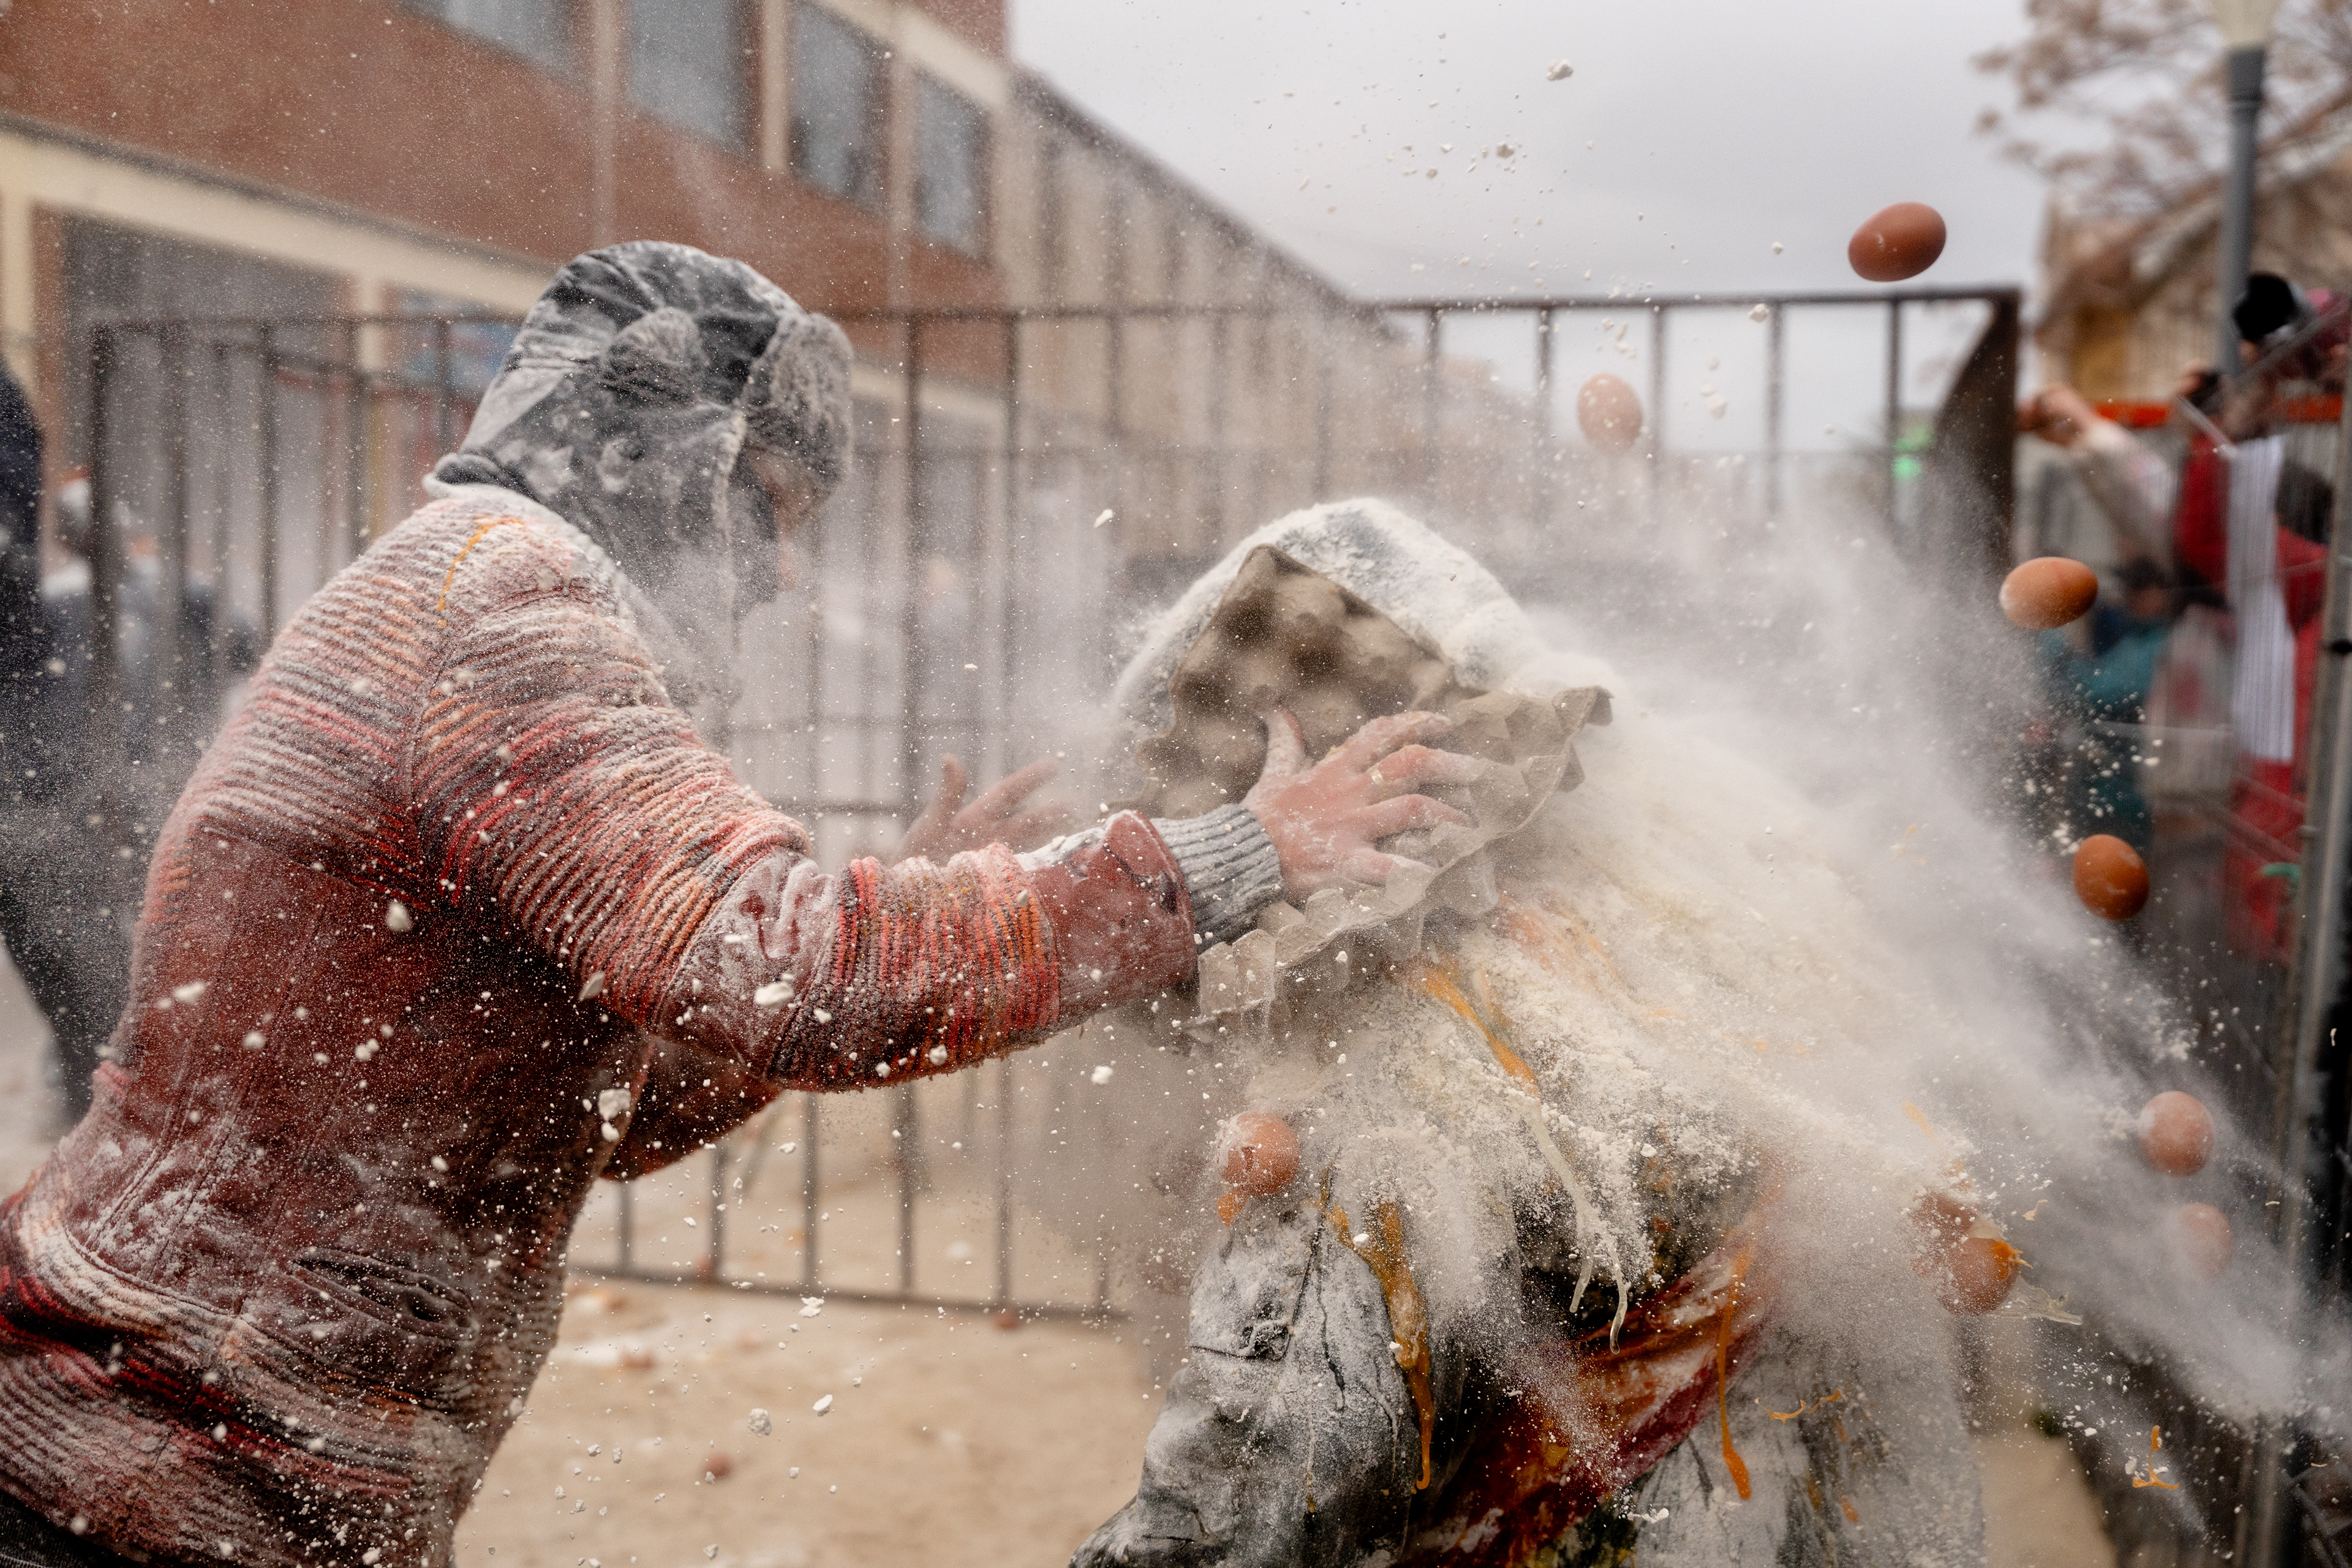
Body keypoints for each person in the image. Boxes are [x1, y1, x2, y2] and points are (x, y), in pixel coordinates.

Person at [0, 243, 1477, 1568]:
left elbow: (602, 1109)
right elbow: (792, 977)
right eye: (767, 507)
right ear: (652, 448)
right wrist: (1237, 853)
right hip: (140, 1465)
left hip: (222, 1465)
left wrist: (926, 905)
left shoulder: (467, 587)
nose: (779, 573)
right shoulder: (504, 598)